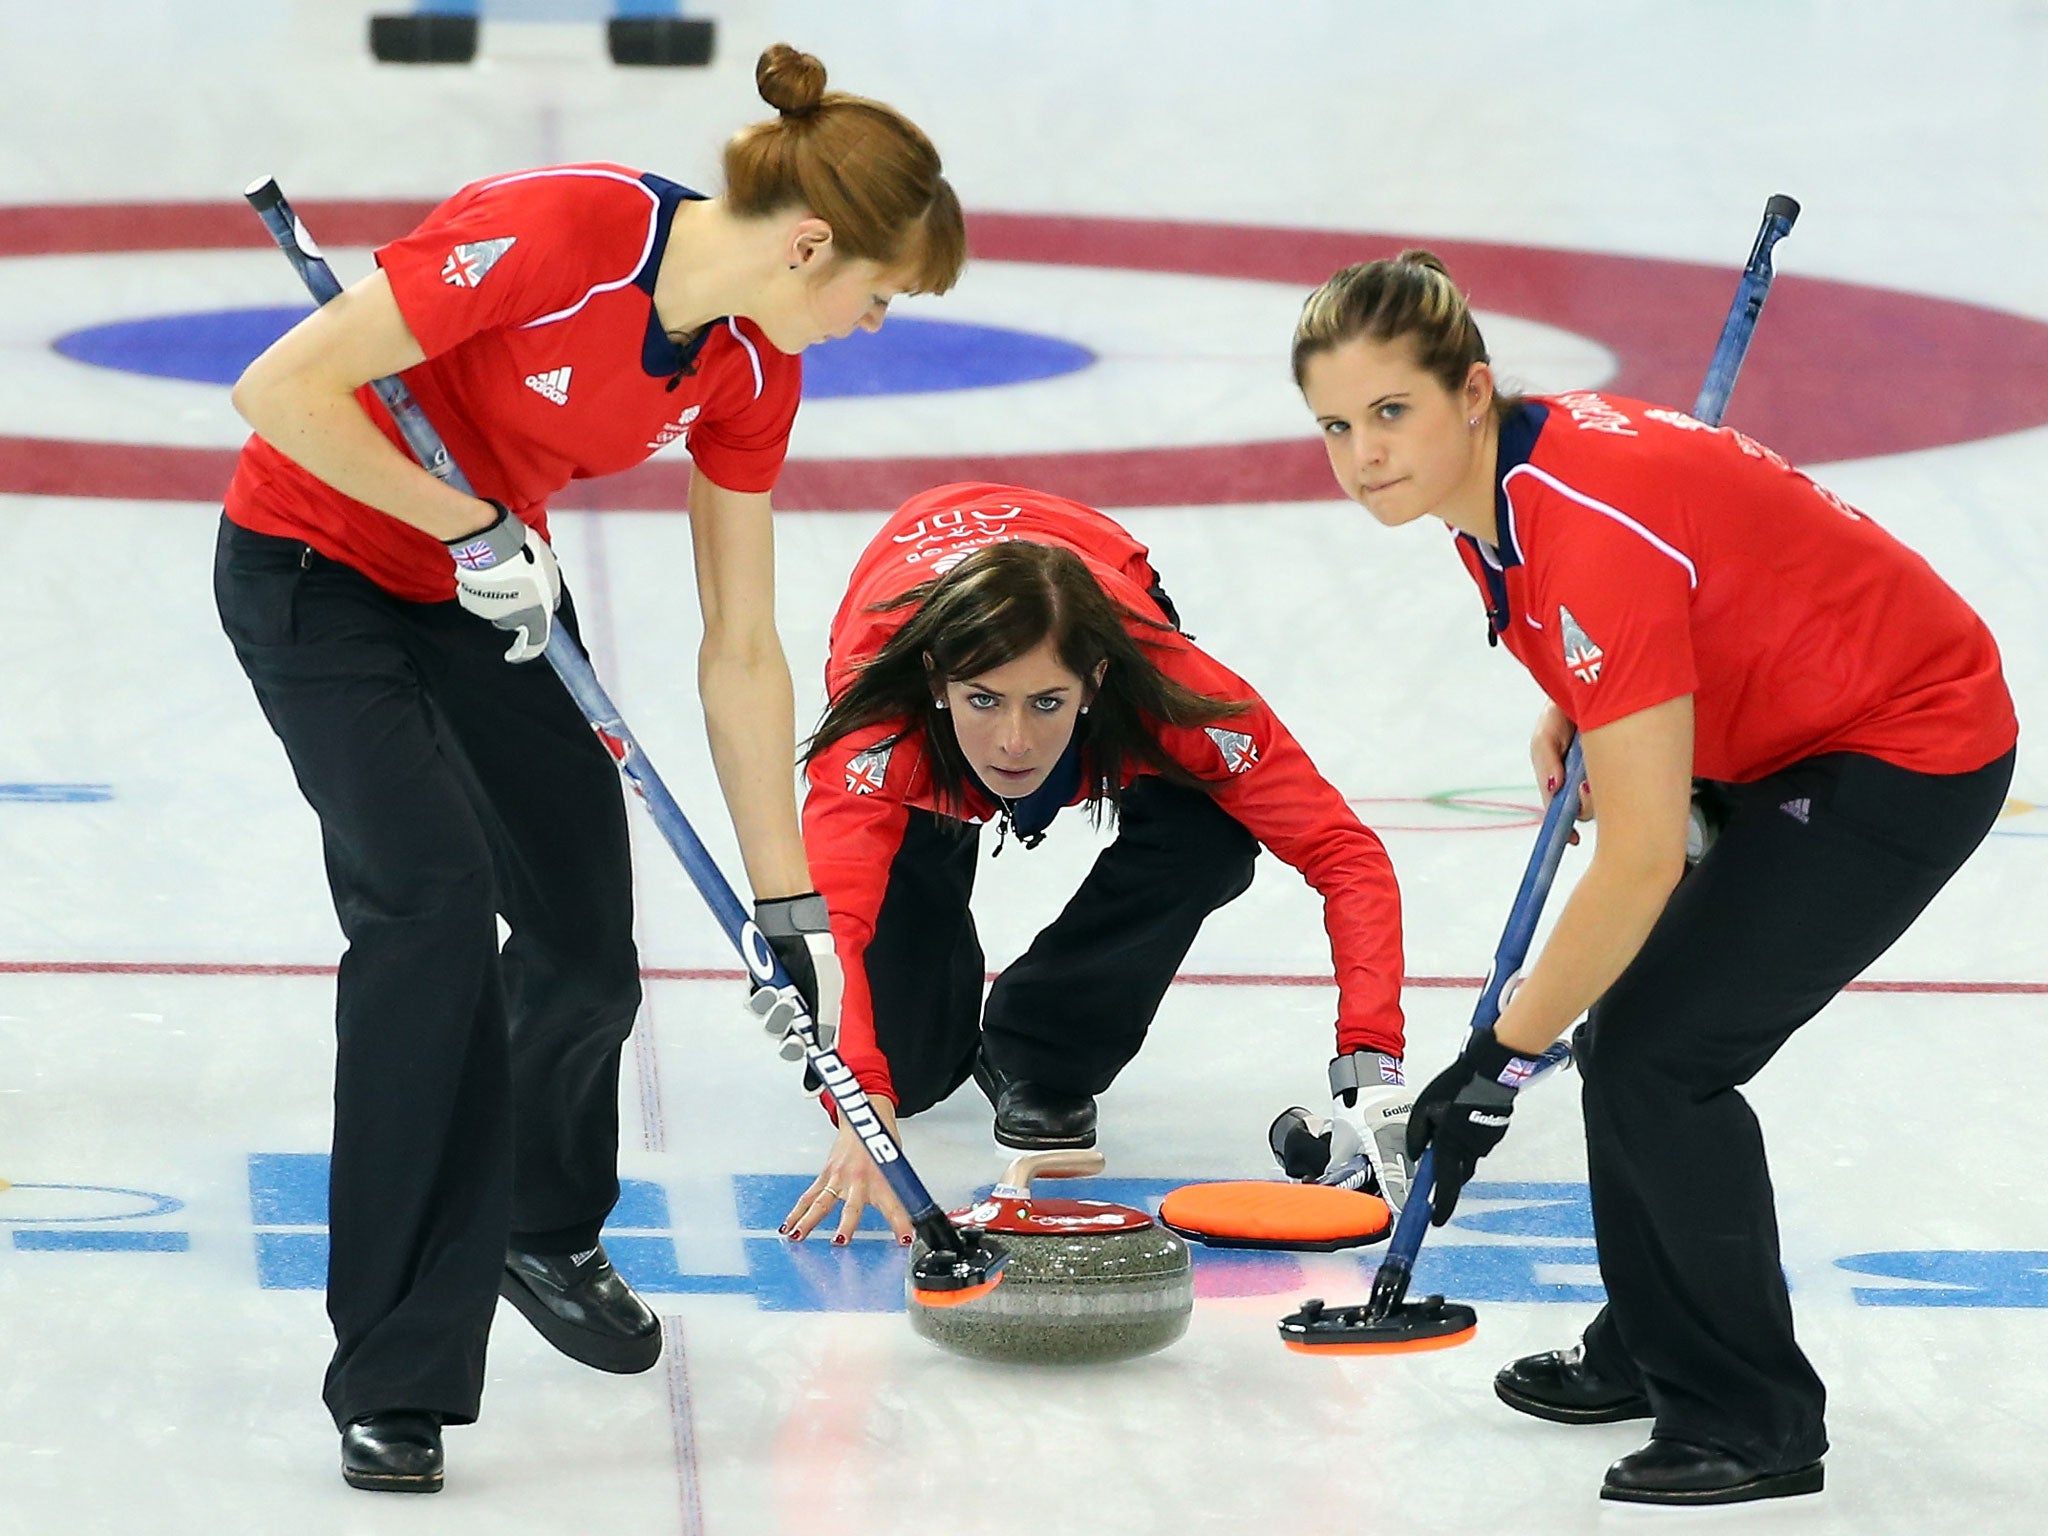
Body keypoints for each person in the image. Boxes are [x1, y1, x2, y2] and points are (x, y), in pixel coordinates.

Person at [213, 44, 962, 1493]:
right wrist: (462, 522)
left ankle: (536, 1224)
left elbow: (740, 647)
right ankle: (395, 1368)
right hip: (317, 572)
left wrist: (787, 910)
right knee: (427, 920)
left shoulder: (746, 364)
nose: (871, 326)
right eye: (877, 297)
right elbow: (281, 392)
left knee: (581, 948)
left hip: (477, 591)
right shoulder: (565, 231)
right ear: (812, 243)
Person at [1292, 251, 2016, 1506]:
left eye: (1389, 412)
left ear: (1470, 391)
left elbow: (1631, 863)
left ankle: (1749, 1417)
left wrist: (1493, 1065)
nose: (1362, 453)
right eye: (1334, 426)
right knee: (1637, 1037)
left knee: (1657, 1058)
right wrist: (1597, 702)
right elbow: (1659, 610)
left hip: (1898, 748)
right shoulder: (1499, 492)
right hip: (1784, 723)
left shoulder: (1582, 520)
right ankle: (1652, 1341)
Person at [776, 481, 1410, 1246]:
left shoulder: (1165, 684)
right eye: (984, 700)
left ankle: (1041, 1051)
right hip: (919, 703)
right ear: (940, 679)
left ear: (1096, 681)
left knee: (1210, 832)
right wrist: (861, 1099)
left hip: (1101, 571)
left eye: (1047, 702)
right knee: (904, 1072)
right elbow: (832, 928)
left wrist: (1372, 1066)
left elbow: (1344, 853)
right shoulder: (876, 733)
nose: (1014, 741)